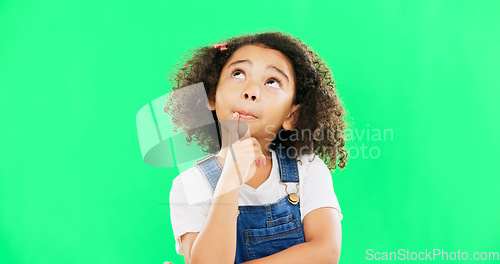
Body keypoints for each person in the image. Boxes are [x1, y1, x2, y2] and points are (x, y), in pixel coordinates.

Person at [164, 31, 350, 264]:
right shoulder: (190, 185)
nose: (251, 91)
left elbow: (325, 253)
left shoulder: (307, 169)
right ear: (211, 96)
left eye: (272, 81)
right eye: (239, 73)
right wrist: (229, 178)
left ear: (292, 115)